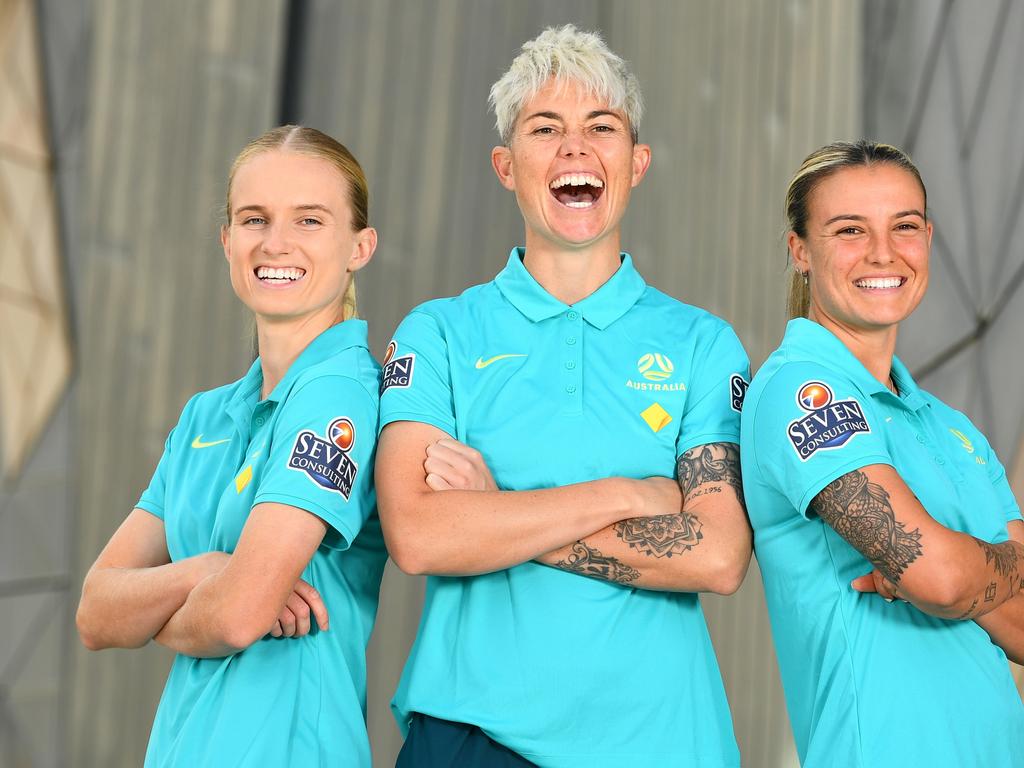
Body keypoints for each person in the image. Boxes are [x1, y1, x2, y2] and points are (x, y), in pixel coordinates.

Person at [376, 25, 751, 767]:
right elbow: (419, 538)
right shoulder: (440, 334)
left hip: (666, 743)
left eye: (600, 127)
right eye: (544, 129)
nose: (574, 148)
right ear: (505, 166)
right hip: (472, 735)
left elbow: (717, 555)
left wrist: (491, 516)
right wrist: (629, 491)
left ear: (636, 163)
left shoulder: (703, 343)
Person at [76, 125, 386, 767]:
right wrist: (203, 572)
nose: (276, 243)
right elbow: (96, 612)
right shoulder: (204, 417)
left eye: (309, 220)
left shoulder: (341, 396)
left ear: (360, 246)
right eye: (254, 219)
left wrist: (163, 606)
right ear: (226, 240)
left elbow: (240, 616)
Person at [741, 140, 1024, 767]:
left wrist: (952, 566)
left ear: (928, 238)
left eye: (904, 227)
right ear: (800, 252)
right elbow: (942, 577)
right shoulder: (798, 391)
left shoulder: (952, 429)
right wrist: (987, 567)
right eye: (849, 230)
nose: (882, 253)